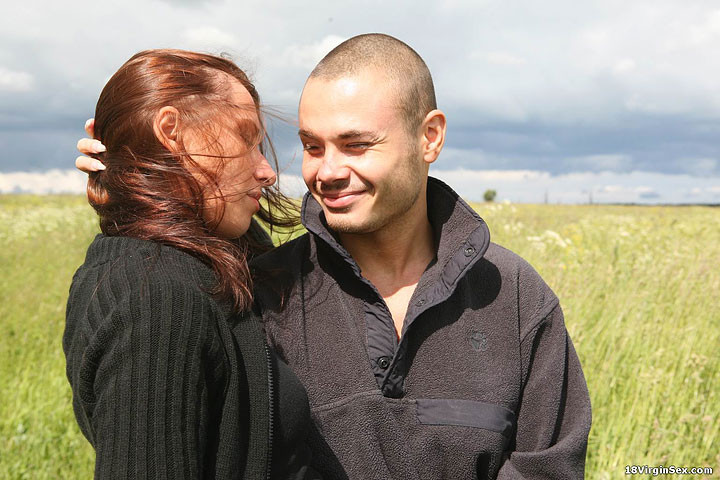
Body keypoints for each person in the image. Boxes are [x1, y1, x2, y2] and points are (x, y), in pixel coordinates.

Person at [77, 35, 592, 479]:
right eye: (312, 146)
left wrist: (142, 177)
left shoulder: (517, 297)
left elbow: (548, 465)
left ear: (429, 137)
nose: (327, 172)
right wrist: (134, 175)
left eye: (356, 144)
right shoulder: (258, 292)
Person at [65, 49, 320, 479]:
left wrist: (138, 181)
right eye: (246, 137)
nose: (267, 171)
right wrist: (143, 182)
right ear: (172, 131)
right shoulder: (158, 301)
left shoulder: (183, 267)